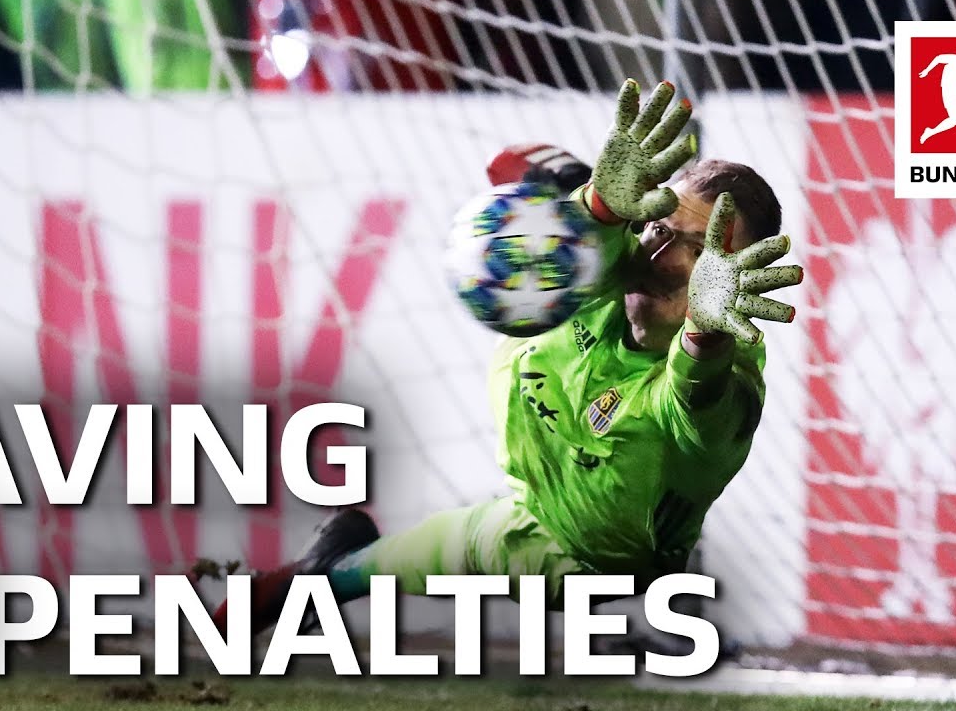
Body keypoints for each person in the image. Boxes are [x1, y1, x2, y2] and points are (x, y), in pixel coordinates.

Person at [213, 79, 804, 633]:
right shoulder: (621, 263)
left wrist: (707, 334)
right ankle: (329, 569)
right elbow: (593, 245)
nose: (662, 255)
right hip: (539, 433)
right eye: (660, 229)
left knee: (448, 551)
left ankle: (324, 573)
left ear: (735, 279)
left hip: (581, 552)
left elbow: (698, 400)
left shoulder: (731, 365)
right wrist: (599, 205)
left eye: (697, 248)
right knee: (571, 253)